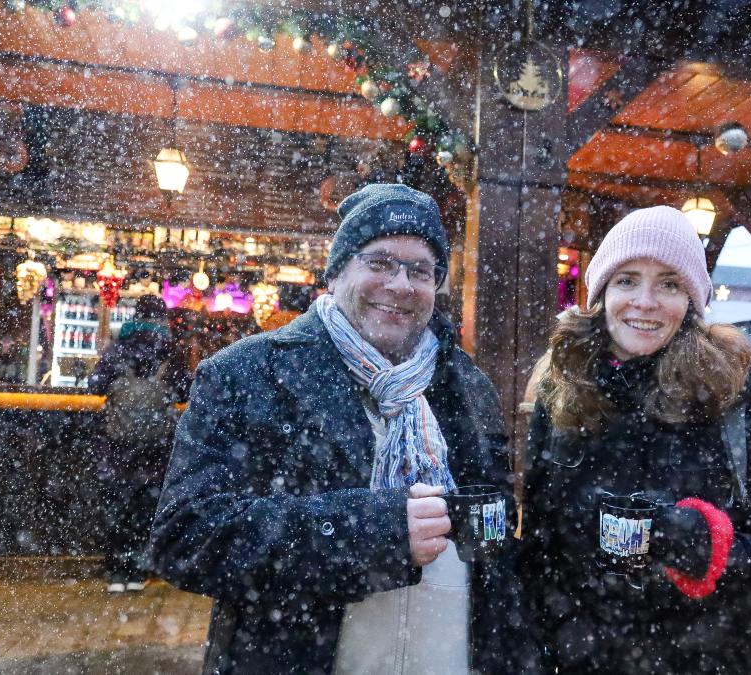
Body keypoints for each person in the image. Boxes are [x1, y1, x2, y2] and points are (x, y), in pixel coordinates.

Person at [149, 184, 538, 674]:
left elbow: (494, 544)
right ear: (335, 273)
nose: (400, 284)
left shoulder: (467, 386)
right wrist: (374, 530)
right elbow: (186, 537)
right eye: (380, 262)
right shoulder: (247, 373)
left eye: (420, 271)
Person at [518, 206, 751, 674]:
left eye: (669, 284)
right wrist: (556, 635)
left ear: (692, 302)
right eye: (627, 280)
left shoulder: (735, 398)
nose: (645, 302)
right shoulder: (562, 391)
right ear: (601, 293)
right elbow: (541, 556)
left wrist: (702, 545)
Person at [89, 294, 188, 593]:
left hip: (118, 446)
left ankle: (115, 573)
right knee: (146, 508)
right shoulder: (170, 349)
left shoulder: (119, 347)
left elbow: (95, 385)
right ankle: (137, 571)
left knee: (117, 506)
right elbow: (186, 390)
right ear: (162, 318)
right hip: (156, 446)